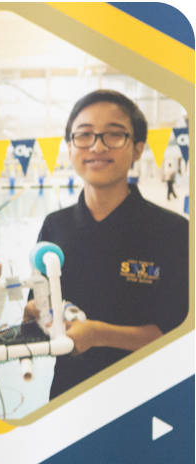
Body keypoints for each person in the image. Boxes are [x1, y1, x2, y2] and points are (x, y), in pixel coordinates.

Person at [25, 90, 187, 400]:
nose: (97, 146)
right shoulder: (55, 226)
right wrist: (35, 316)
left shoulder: (173, 231)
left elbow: (180, 332)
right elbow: (39, 304)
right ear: (70, 147)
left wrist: (99, 335)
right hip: (68, 394)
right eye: (84, 135)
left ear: (138, 149)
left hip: (147, 398)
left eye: (113, 135)